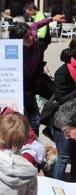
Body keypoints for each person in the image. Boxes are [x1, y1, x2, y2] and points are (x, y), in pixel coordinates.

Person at [9, 14, 65, 136]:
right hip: (25, 85)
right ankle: (33, 141)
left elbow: (35, 25)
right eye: (26, 37)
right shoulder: (15, 53)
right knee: (34, 117)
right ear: (18, 41)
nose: (32, 37)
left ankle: (53, 127)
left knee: (59, 98)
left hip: (38, 78)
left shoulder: (33, 36)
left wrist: (51, 19)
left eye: (30, 34)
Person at [0, 95, 45, 169]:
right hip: (12, 149)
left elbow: (11, 141)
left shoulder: (8, 117)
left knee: (20, 164)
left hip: (27, 147)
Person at [50, 38, 76, 182]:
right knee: (64, 157)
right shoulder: (62, 72)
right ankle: (56, 186)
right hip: (64, 120)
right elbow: (60, 99)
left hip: (75, 119)